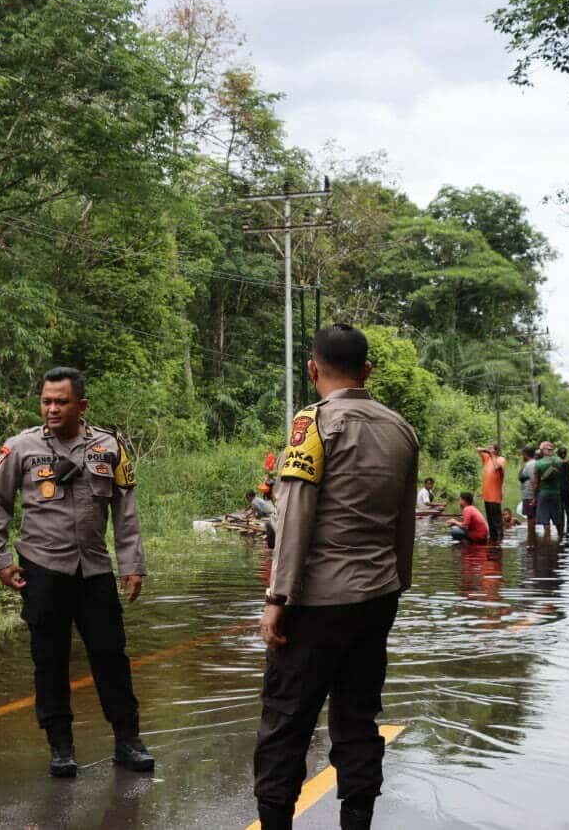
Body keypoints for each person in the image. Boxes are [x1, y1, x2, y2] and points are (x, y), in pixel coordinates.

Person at [255, 325, 418, 830]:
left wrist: (278, 595)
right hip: (378, 597)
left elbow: (296, 514)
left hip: (317, 602)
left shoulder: (313, 424)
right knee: (357, 718)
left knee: (286, 723)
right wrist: (397, 582)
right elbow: (404, 521)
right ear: (367, 371)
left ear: (312, 369)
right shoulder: (401, 429)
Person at [0, 366, 153, 778]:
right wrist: (0, 560)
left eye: (61, 401)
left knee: (111, 655)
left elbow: (124, 512)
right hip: (43, 570)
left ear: (82, 405)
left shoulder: (108, 447)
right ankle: (60, 746)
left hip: (94, 570)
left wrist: (132, 565)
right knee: (49, 659)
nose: (52, 408)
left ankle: (127, 740)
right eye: (46, 401)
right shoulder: (19, 448)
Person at [531, 440, 563, 546]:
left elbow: (535, 483)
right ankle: (561, 542)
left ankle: (548, 546)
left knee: (546, 523)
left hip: (543, 494)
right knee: (558, 520)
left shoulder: (539, 463)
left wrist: (534, 498)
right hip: (556, 494)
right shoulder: (559, 461)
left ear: (544, 450)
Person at [478, 443, 506, 543]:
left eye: (492, 448)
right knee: (490, 520)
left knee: (496, 520)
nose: (489, 450)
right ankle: (493, 539)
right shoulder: (487, 458)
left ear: (497, 450)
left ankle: (499, 539)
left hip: (495, 496)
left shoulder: (500, 459)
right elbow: (478, 449)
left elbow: (496, 467)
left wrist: (493, 455)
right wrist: (488, 450)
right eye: (488, 448)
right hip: (486, 495)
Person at [518, 446, 538, 542]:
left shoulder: (530, 464)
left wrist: (534, 497)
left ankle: (531, 538)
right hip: (529, 494)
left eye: (523, 454)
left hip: (529, 495)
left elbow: (534, 481)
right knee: (531, 517)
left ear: (526, 454)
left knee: (530, 518)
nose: (522, 456)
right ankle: (532, 537)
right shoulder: (531, 464)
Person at [556, 446, 569, 533]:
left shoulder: (556, 464)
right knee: (568, 508)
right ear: (566, 454)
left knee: (560, 509)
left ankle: (561, 526)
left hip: (559, 489)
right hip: (567, 488)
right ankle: (568, 526)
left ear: (558, 454)